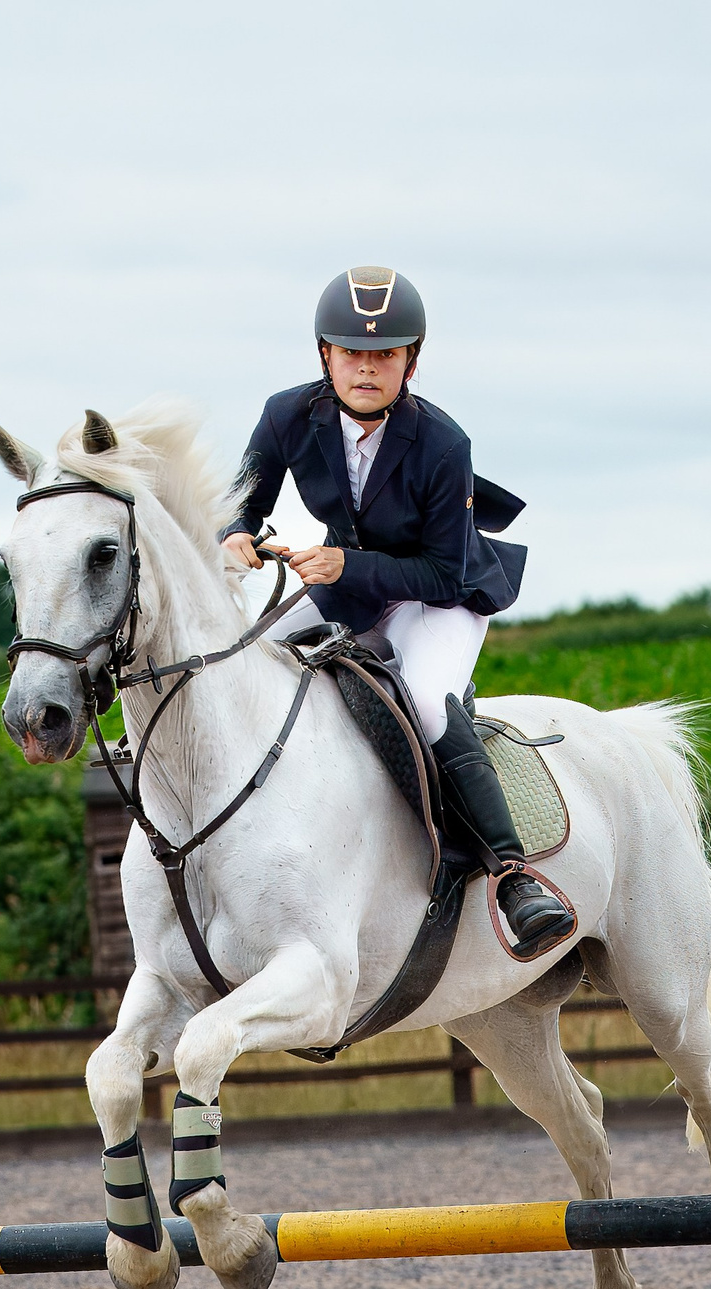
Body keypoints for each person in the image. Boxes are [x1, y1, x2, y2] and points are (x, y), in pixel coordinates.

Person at [224, 266, 577, 959]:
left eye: (384, 354)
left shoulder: (443, 444)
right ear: (324, 354)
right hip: (349, 583)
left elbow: (443, 573)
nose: (366, 366)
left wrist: (347, 565)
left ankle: (512, 874)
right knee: (251, 654)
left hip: (441, 594)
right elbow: (244, 501)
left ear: (410, 360)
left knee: (426, 700)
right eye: (351, 351)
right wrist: (235, 532)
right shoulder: (286, 414)